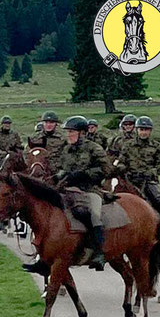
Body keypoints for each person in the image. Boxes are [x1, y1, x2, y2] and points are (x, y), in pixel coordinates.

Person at [53, 116, 108, 271]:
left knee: (94, 214)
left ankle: (99, 252)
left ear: (82, 133)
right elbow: (61, 167)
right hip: (68, 189)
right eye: (67, 132)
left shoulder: (94, 148)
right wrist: (59, 175)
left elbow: (106, 169)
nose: (68, 135)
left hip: (90, 189)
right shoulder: (66, 149)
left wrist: (85, 174)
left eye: (71, 132)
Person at [118, 116, 160, 246]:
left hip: (149, 181)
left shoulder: (156, 146)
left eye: (146, 130)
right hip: (131, 180)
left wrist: (152, 172)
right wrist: (121, 168)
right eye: (141, 129)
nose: (143, 132)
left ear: (150, 131)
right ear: (137, 130)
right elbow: (122, 161)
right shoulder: (128, 145)